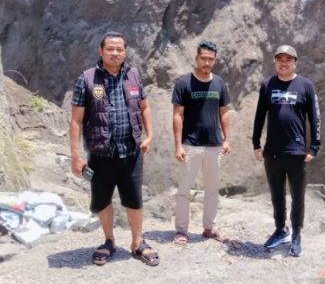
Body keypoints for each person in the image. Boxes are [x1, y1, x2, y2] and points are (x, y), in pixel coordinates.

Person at [69, 31, 159, 266]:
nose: (115, 52)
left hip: (131, 152)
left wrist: (150, 135)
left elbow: (145, 108)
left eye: (119, 49)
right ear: (101, 51)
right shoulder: (87, 79)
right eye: (110, 48)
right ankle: (109, 241)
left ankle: (138, 243)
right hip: (101, 154)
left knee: (134, 199)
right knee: (102, 200)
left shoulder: (134, 75)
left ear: (125, 52)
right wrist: (76, 156)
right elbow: (76, 120)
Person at [252, 44, 321, 257]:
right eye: (280, 59)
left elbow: (315, 117)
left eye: (288, 59)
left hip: (296, 152)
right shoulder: (267, 85)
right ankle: (281, 229)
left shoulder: (305, 86)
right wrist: (256, 143)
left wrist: (314, 147)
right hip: (272, 152)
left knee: (297, 196)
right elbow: (259, 116)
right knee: (277, 195)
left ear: (295, 63)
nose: (284, 63)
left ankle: (297, 233)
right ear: (275, 62)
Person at [172, 40, 233, 246]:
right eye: (203, 58)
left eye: (211, 59)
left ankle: (209, 227)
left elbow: (224, 112)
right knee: (184, 189)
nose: (207, 62)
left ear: (214, 61)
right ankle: (181, 231)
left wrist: (227, 139)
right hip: (190, 144)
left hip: (214, 144)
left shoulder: (219, 83)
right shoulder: (184, 83)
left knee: (212, 189)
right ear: (196, 58)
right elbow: (177, 115)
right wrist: (178, 145)